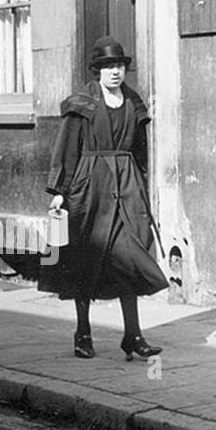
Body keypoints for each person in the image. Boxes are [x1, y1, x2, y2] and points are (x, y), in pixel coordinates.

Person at [41, 37, 168, 360]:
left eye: (120, 66)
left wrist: (141, 187)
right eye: (108, 67)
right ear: (97, 71)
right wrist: (58, 192)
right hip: (88, 189)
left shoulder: (132, 103)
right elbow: (67, 149)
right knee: (85, 258)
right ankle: (83, 333)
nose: (115, 72)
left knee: (130, 258)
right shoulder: (82, 105)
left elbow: (140, 153)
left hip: (126, 189)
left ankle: (133, 336)